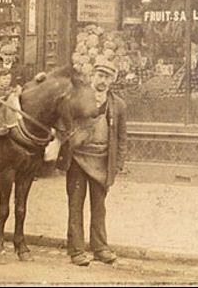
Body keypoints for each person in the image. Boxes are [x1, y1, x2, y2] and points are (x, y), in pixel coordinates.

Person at [56, 59, 127, 266]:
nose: (103, 81)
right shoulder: (77, 100)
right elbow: (62, 124)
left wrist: (118, 163)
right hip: (77, 159)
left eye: (107, 77)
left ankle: (100, 248)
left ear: (112, 81)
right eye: (100, 76)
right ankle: (76, 250)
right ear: (92, 76)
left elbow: (122, 137)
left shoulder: (118, 105)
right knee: (75, 206)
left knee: (99, 207)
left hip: (102, 161)